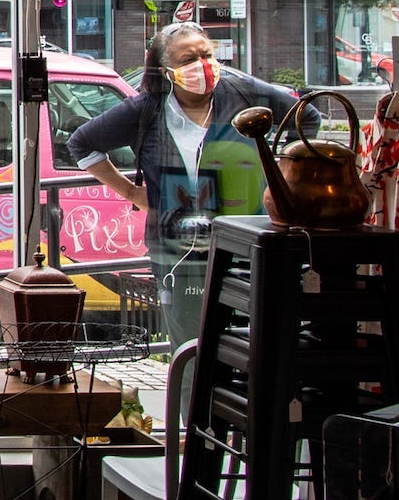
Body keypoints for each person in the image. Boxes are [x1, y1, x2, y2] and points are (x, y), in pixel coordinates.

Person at [64, 23, 303, 352]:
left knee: (252, 345)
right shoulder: (146, 110)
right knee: (192, 346)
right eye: (189, 59)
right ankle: (190, 403)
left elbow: (307, 116)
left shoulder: (243, 93)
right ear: (166, 71)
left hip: (247, 244)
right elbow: (82, 145)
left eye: (207, 54)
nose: (202, 65)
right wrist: (133, 193)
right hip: (178, 253)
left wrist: (278, 177)